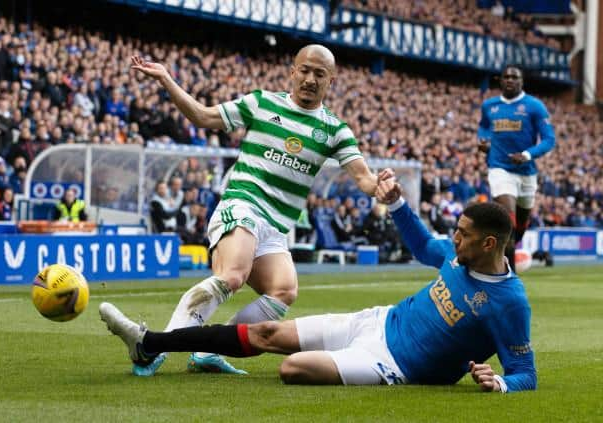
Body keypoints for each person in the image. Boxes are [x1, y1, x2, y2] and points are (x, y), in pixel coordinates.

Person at [99, 177, 536, 392]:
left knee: (291, 368)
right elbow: (424, 245)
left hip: (393, 366)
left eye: (462, 234)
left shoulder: (508, 302)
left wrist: (499, 383)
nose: (454, 238)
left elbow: (525, 374)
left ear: (490, 243)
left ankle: (167, 344)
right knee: (269, 334)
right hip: (378, 321)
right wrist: (398, 203)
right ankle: (151, 342)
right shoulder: (455, 256)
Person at [129, 44, 391, 376]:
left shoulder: (334, 130)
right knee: (233, 275)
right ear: (293, 72)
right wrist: (167, 79)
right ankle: (156, 346)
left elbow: (364, 178)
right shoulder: (262, 102)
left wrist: (380, 187)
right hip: (242, 203)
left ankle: (207, 349)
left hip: (275, 226)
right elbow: (204, 116)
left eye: (319, 74)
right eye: (305, 70)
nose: (310, 79)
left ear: (331, 81)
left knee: (284, 290)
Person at [478, 65, 556, 268]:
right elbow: (484, 126)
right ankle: (509, 281)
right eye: (506, 77)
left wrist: (527, 155)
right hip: (499, 169)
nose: (510, 80)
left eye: (515, 77)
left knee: (519, 228)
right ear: (500, 80)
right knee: (507, 223)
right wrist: (483, 141)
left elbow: (549, 139)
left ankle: (508, 258)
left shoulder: (534, 106)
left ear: (522, 81)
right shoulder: (490, 106)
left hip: (526, 173)